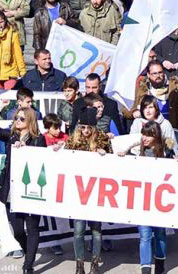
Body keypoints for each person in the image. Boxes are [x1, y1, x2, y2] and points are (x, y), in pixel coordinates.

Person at [0, 107, 47, 274]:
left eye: (21, 119)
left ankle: (28, 265)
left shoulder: (38, 139)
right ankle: (29, 253)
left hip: (31, 190)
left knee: (32, 228)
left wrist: (26, 149)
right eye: (16, 118)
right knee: (18, 230)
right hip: (12, 191)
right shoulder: (10, 135)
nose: (17, 121)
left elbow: (42, 162)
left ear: (30, 121)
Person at [119, 121, 178, 274]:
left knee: (160, 233)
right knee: (145, 235)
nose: (144, 138)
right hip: (143, 200)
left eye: (148, 134)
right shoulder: (137, 151)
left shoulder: (167, 151)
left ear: (155, 135)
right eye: (143, 134)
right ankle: (145, 268)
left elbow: (177, 168)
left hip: (161, 199)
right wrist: (124, 152)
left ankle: (160, 265)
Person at [64, 110, 111, 273]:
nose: (85, 131)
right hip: (78, 191)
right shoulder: (73, 141)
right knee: (78, 229)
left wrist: (104, 154)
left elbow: (113, 166)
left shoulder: (102, 139)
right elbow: (63, 161)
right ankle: (79, 264)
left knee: (96, 230)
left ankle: (95, 263)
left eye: (88, 128)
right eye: (82, 127)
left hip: (97, 191)